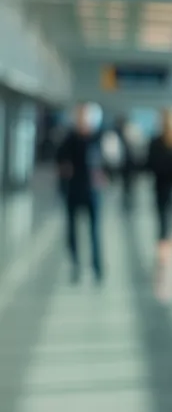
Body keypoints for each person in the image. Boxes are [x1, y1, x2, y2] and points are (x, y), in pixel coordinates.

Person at [55, 102, 105, 283]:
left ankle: (97, 266)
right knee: (72, 231)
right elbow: (59, 161)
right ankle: (75, 264)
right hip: (74, 190)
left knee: (94, 231)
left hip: (92, 191)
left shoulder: (98, 138)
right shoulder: (69, 139)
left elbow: (108, 162)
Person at [147, 106, 172, 299]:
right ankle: (167, 263)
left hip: (162, 191)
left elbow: (149, 165)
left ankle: (164, 264)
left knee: (163, 228)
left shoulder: (155, 143)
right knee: (170, 230)